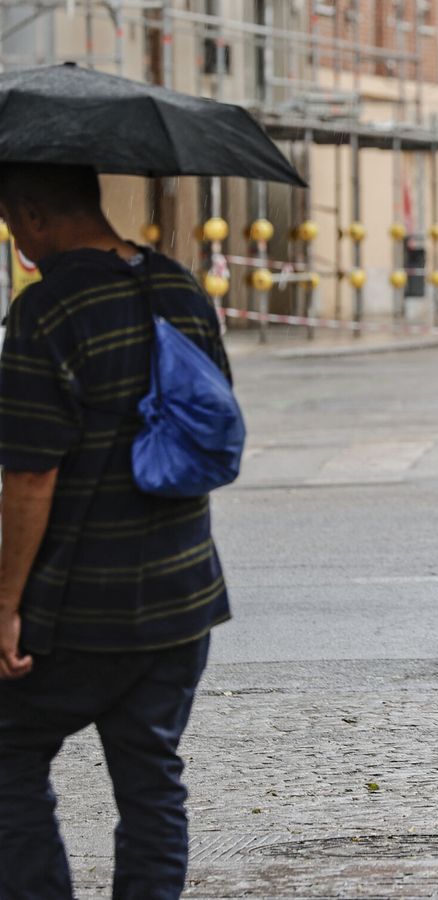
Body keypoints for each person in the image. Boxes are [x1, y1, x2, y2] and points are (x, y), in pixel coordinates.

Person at [0, 163, 232, 899]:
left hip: (78, 605)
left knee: (9, 757)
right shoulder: (180, 287)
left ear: (33, 214)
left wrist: (5, 603)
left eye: (10, 219)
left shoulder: (47, 309)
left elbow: (30, 476)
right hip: (181, 594)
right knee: (151, 778)